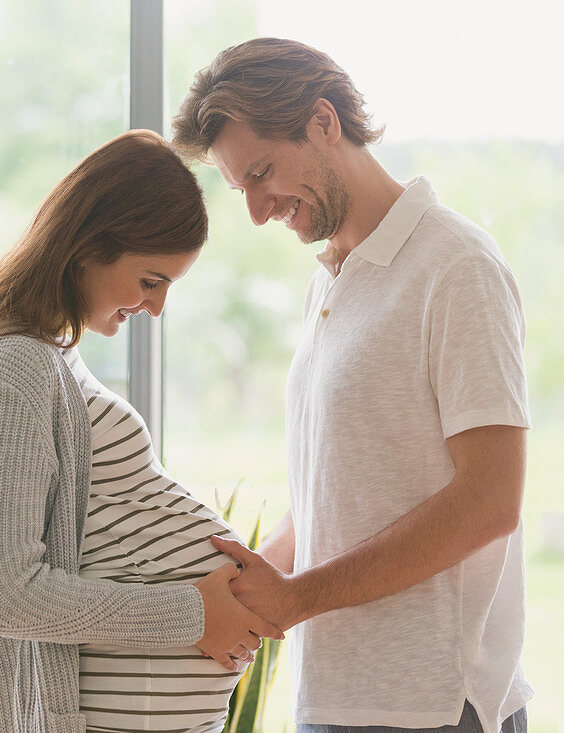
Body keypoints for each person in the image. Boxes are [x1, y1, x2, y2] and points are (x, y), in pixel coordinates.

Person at [171, 37, 531, 733]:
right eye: (239, 186)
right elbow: (335, 498)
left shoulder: (456, 266)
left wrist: (298, 597)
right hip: (333, 699)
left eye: (262, 173)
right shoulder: (328, 283)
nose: (254, 210)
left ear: (324, 123)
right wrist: (247, 588)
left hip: (433, 707)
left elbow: (490, 500)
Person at [0, 129, 283, 733]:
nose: (157, 307)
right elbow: (1, 594)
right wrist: (193, 615)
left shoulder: (50, 357)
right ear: (89, 247)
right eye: (150, 281)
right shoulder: (15, 368)